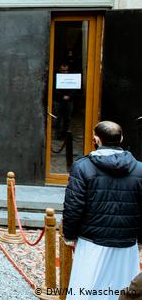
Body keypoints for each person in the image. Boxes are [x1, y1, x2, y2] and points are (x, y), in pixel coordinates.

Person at [63, 121, 142, 300]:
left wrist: (69, 235)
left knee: (86, 290)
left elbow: (74, 205)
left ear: (96, 139)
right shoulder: (139, 169)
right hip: (126, 241)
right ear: (121, 138)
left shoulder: (82, 166)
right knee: (122, 290)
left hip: (92, 240)